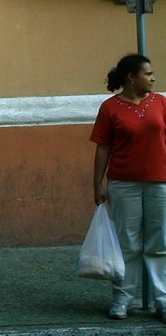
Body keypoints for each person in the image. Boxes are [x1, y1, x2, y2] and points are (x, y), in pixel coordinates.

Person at [91, 53, 166, 321]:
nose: (153, 78)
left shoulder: (161, 103)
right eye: (148, 73)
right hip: (123, 185)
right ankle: (123, 299)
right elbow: (103, 147)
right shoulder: (110, 108)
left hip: (160, 183)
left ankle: (163, 300)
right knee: (127, 245)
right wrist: (97, 182)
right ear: (131, 78)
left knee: (160, 244)